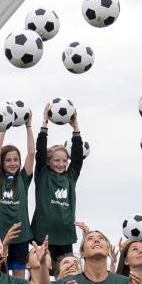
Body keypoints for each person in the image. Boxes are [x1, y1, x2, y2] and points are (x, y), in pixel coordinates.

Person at [31, 105, 83, 265]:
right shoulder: (43, 175)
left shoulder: (70, 177)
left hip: (65, 235)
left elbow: (77, 157)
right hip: (43, 234)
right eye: (56, 160)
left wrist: (75, 128)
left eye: (64, 161)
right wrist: (44, 124)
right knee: (42, 273)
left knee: (66, 275)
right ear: (48, 161)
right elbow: (39, 152)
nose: (61, 164)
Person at [0, 115, 35, 277]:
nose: (13, 163)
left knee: (19, 276)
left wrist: (28, 127)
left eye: (16, 159)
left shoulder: (23, 178)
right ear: (2, 162)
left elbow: (31, 153)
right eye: (8, 160)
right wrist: (4, 128)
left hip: (20, 237)